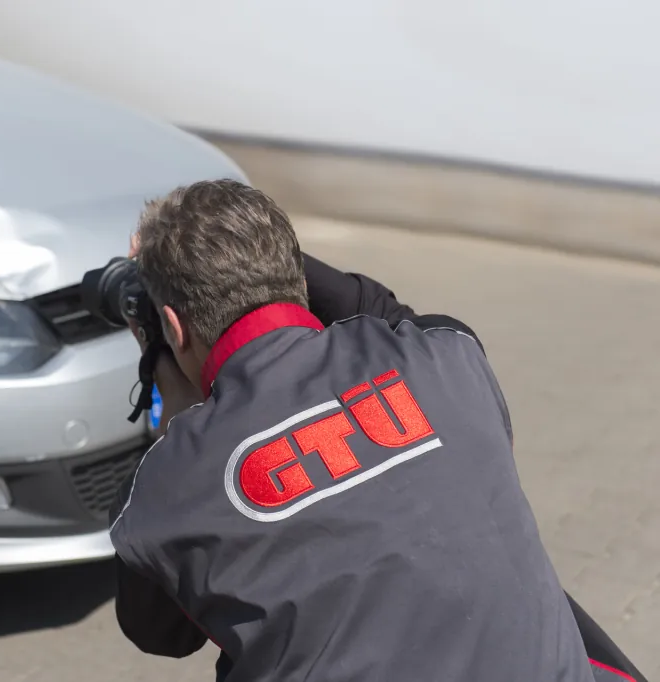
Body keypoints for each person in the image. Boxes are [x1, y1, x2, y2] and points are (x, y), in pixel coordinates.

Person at [108, 179, 596, 682]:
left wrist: (176, 423)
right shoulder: (447, 355)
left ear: (174, 325)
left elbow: (160, 635)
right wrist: (259, 261)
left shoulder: (164, 489)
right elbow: (379, 305)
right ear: (290, 270)